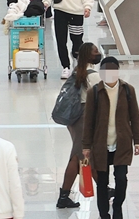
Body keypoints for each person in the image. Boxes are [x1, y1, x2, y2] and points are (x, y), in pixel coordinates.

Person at [83, 56, 139, 219]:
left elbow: (135, 116)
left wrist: (138, 140)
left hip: (122, 143)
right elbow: (88, 121)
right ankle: (104, 214)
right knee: (102, 182)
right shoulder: (94, 92)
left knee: (121, 179)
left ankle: (117, 206)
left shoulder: (128, 90)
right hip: (100, 144)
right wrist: (86, 146)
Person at [56, 42, 102, 209]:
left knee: (83, 155)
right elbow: (100, 100)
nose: (98, 53)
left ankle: (104, 188)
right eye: (96, 51)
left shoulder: (77, 72)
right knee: (78, 156)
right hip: (84, 117)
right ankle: (64, 197)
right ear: (89, 56)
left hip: (74, 118)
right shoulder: (93, 75)